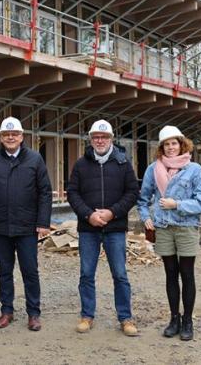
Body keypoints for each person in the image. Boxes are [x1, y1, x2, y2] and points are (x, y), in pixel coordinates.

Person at [0, 116, 52, 332]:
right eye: (6, 134)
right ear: (1, 137)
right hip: (0, 226)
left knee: (30, 271)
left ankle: (33, 313)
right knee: (4, 271)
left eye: (15, 134)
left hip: (27, 227)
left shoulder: (35, 159)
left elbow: (45, 193)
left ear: (22, 137)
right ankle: (6, 311)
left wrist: (43, 222)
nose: (11, 137)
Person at [67, 119, 140, 336]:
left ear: (111, 139)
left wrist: (112, 212)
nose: (100, 140)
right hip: (88, 228)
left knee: (120, 274)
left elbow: (132, 192)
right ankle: (87, 316)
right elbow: (72, 192)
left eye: (104, 137)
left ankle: (125, 318)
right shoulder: (81, 164)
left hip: (115, 227)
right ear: (91, 140)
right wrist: (89, 215)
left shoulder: (123, 163)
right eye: (96, 137)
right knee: (86, 274)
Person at [137, 125, 201, 341]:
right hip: (163, 227)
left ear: (181, 144)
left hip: (186, 227)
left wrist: (176, 204)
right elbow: (143, 198)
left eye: (174, 143)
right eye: (166, 144)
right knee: (170, 273)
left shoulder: (195, 170)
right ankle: (174, 318)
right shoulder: (153, 169)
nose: (170, 148)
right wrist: (146, 217)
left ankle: (188, 320)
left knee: (187, 274)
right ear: (161, 147)